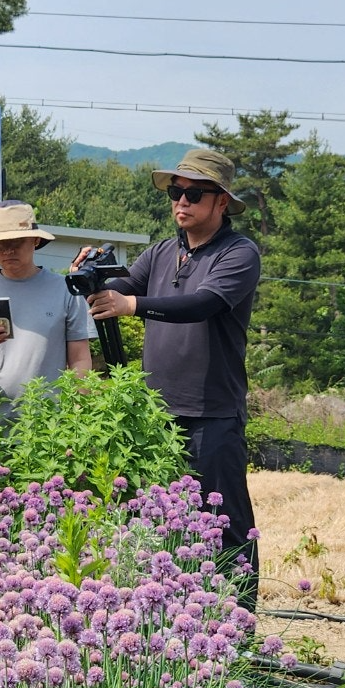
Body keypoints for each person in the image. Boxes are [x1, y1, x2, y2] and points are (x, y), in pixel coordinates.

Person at [84, 149, 261, 609]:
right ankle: (179, 625)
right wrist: (89, 277)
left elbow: (204, 303)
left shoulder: (239, 252)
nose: (181, 201)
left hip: (212, 414)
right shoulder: (163, 252)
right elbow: (120, 287)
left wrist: (134, 306)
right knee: (160, 523)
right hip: (156, 414)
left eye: (194, 193)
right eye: (175, 192)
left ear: (222, 201)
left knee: (224, 523)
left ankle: (238, 630)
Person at [0, 201, 94, 420]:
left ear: (35, 240)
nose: (7, 251)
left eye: (16, 242)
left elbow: (80, 360)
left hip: (49, 429)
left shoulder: (66, 290)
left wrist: (77, 417)